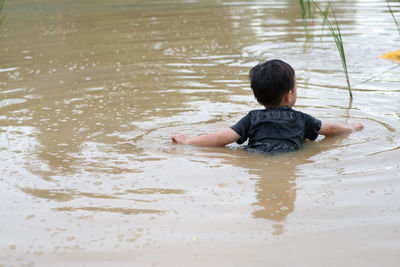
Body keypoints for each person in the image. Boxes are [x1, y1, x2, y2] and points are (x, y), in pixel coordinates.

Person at [171, 59, 363, 154]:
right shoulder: (301, 119)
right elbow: (329, 129)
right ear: (289, 96)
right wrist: (350, 128)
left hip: (254, 154)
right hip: (289, 158)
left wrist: (188, 141)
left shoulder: (252, 118)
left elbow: (220, 138)